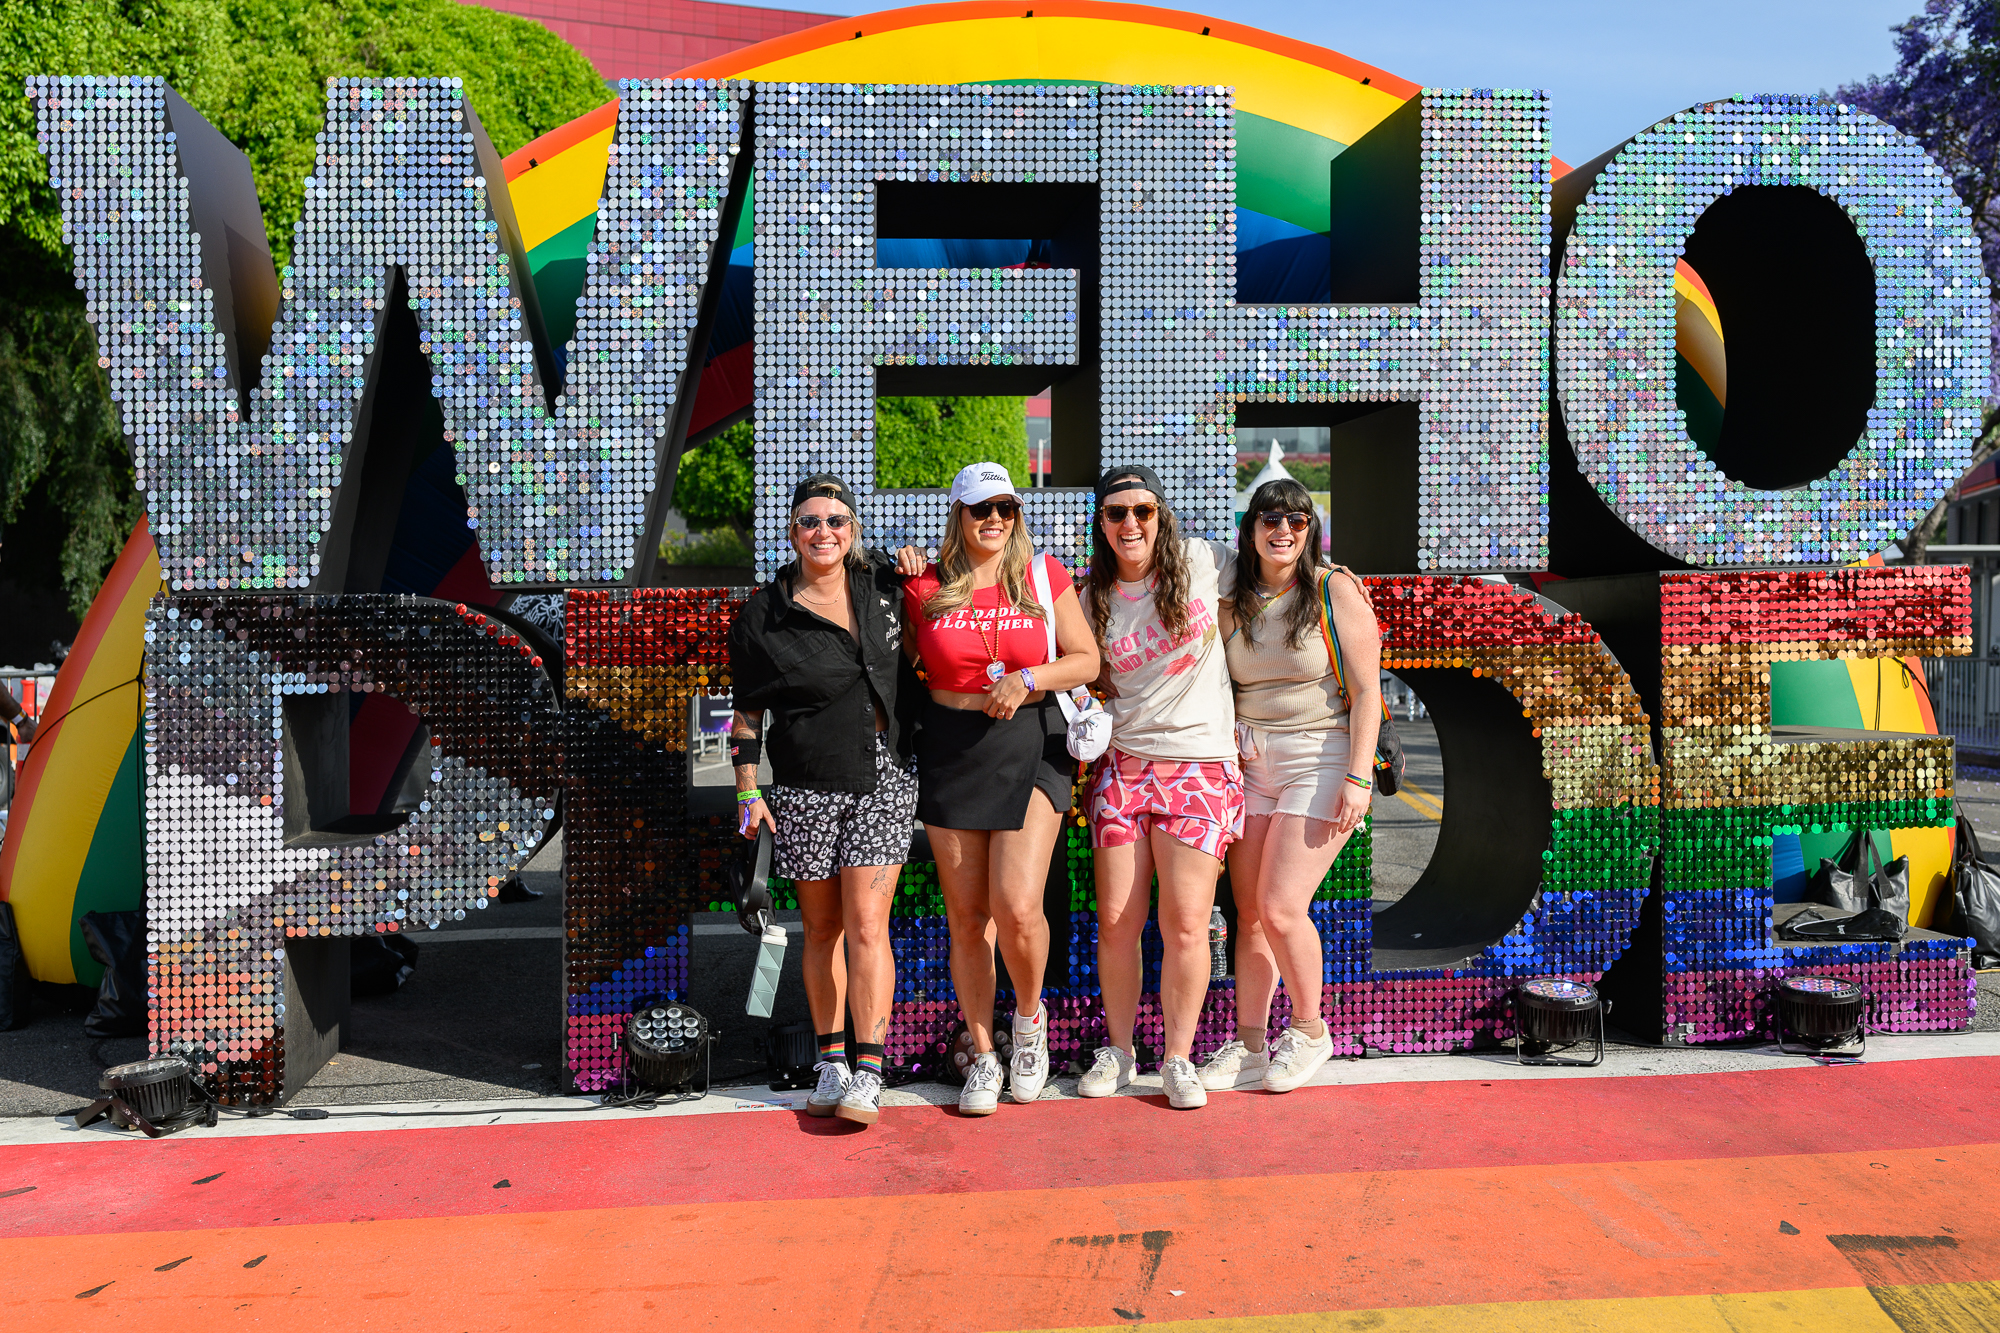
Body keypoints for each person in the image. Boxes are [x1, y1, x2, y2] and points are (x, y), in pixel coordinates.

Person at [902, 462, 1100, 1116]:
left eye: (1006, 509)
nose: (995, 520)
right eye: (981, 508)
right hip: (950, 748)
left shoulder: (1043, 575)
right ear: (957, 514)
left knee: (1016, 903)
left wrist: (1031, 677)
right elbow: (901, 660)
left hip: (1030, 743)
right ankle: (984, 1054)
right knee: (968, 917)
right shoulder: (924, 585)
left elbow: (1087, 658)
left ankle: (1028, 1022)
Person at [729, 474, 923, 1128]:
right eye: (810, 521)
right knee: (822, 928)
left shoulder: (884, 592)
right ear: (791, 532)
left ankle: (869, 1069)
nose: (824, 532)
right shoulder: (764, 613)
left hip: (884, 776)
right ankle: (830, 1060)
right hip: (807, 782)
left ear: (853, 530)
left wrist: (920, 571)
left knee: (868, 924)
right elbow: (748, 714)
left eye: (837, 520)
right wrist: (747, 789)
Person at [1200, 476, 1382, 1095]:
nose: (1284, 532)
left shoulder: (1335, 591)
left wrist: (1358, 778)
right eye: (1270, 521)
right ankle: (1250, 1044)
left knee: (1281, 908)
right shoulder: (1229, 594)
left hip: (1321, 755)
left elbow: (1366, 695)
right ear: (1250, 530)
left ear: (1311, 532)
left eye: (1297, 522)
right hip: (1250, 761)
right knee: (1247, 916)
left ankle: (1308, 1030)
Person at [1075, 464, 1243, 1111]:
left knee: (1186, 923)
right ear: (1102, 523)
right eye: (1116, 513)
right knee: (1118, 921)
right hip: (1125, 767)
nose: (1130, 524)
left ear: (1160, 515)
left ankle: (1178, 1057)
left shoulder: (1202, 561)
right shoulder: (1092, 596)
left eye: (1141, 510)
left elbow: (1278, 566)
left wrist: (1339, 583)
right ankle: (1120, 1052)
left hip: (1200, 766)